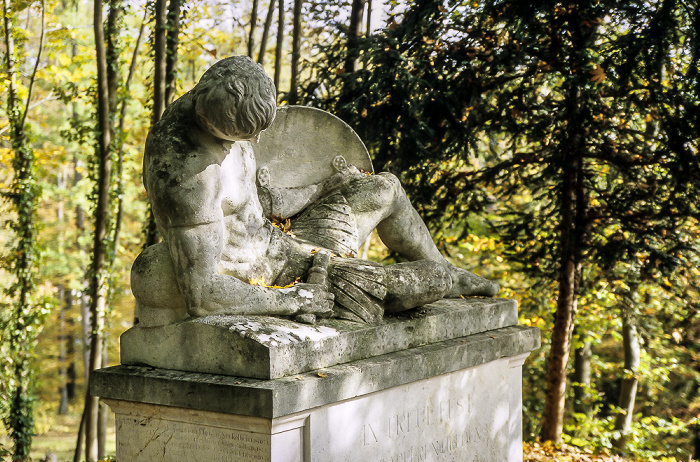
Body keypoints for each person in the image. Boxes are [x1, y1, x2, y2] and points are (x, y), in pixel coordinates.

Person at [132, 56, 497, 326]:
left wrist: (326, 187)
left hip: (290, 241)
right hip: (285, 276)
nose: (257, 141)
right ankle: (449, 277)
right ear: (212, 124)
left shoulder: (226, 116)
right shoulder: (185, 175)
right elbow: (202, 294)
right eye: (245, 136)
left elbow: (264, 208)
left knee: (385, 187)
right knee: (433, 280)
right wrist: (291, 299)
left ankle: (446, 265)